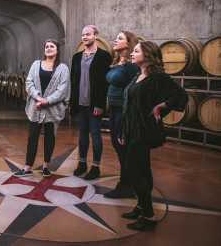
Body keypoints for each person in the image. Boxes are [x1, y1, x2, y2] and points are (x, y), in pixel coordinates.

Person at [121, 41, 187, 231]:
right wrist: (125, 130)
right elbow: (130, 106)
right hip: (132, 129)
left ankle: (148, 216)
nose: (132, 53)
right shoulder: (137, 75)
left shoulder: (158, 77)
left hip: (143, 131)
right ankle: (141, 207)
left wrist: (162, 106)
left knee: (134, 171)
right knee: (142, 169)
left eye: (136, 51)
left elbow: (180, 96)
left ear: (148, 55)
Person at [14, 39, 70, 177]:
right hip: (36, 107)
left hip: (52, 108)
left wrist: (47, 101)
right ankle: (27, 167)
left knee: (50, 137)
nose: (49, 48)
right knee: (32, 137)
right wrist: (38, 98)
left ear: (57, 50)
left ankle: (46, 166)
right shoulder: (36, 64)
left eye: (52, 46)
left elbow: (62, 90)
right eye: (46, 46)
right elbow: (29, 82)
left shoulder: (63, 68)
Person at [70, 25, 112, 180]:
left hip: (94, 104)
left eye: (88, 34)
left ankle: (95, 167)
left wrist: (100, 104)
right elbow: (73, 80)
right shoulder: (76, 57)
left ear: (96, 36)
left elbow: (104, 83)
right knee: (82, 135)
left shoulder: (104, 56)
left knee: (95, 135)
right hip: (80, 103)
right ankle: (82, 164)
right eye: (83, 35)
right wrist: (72, 103)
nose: (84, 37)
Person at [104, 31, 139, 198]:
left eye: (119, 38)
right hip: (114, 109)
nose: (115, 40)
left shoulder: (132, 65)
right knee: (119, 148)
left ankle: (126, 185)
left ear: (129, 43)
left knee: (123, 148)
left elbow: (134, 91)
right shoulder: (117, 62)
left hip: (123, 112)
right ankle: (126, 182)